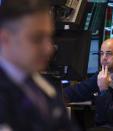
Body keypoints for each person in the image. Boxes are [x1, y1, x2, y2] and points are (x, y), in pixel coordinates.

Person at [0, 0, 78, 130]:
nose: (49, 49)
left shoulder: (45, 88)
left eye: (49, 37)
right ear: (5, 39)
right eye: (37, 38)